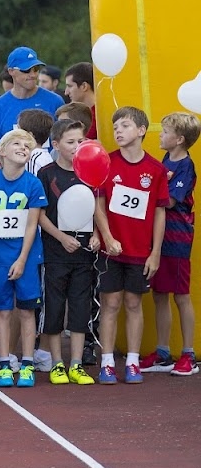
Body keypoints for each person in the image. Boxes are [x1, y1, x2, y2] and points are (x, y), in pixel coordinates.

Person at [93, 106, 169, 384]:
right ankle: (108, 362)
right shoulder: (106, 163)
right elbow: (98, 205)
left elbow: (160, 212)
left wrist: (156, 252)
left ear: (141, 131)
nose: (118, 132)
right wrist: (108, 237)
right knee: (110, 303)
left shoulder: (156, 170)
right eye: (115, 128)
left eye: (124, 126)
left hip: (141, 251)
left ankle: (134, 362)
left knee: (134, 303)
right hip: (111, 250)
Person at [0, 129, 48, 389]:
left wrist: (22, 259)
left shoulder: (33, 183)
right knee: (2, 311)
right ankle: (5, 363)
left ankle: (28, 363)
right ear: (2, 151)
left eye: (27, 145)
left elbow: (32, 225)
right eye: (17, 144)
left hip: (27, 257)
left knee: (27, 310)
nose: (23, 147)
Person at [37, 119, 100, 386]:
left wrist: (97, 234)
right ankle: (57, 363)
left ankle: (76, 364)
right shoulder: (47, 174)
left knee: (80, 308)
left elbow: (96, 207)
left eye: (80, 141)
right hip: (55, 252)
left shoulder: (90, 171)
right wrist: (61, 238)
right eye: (70, 142)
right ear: (56, 144)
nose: (76, 147)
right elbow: (39, 216)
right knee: (54, 307)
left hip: (84, 253)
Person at [143, 111, 199, 376]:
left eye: (165, 132)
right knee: (159, 294)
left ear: (179, 139)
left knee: (181, 295)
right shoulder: (166, 159)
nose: (160, 136)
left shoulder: (185, 166)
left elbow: (171, 200)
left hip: (177, 238)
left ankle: (189, 354)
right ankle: (163, 352)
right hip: (159, 238)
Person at [0, 47, 65, 149]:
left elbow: (65, 140)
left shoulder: (55, 101)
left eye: (36, 69)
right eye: (26, 70)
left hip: (48, 163)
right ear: (11, 71)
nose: (32, 75)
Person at [63, 62, 98, 138]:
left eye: (70, 86)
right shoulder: (72, 114)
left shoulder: (101, 116)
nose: (66, 92)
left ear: (84, 86)